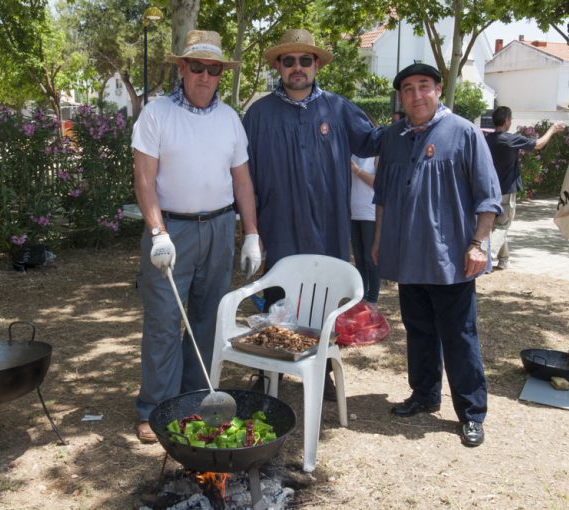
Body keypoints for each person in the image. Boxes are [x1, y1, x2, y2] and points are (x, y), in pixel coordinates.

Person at [130, 30, 261, 443]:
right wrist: (157, 233)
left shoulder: (230, 119)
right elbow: (144, 180)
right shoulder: (156, 114)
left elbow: (242, 183)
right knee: (165, 322)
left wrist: (251, 233)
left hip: (221, 228)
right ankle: (155, 408)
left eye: (214, 68)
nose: (205, 75)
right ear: (182, 68)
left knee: (207, 321)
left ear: (222, 73)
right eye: (198, 66)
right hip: (173, 229)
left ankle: (189, 400)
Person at [243, 28, 382, 400]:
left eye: (306, 60)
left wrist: (418, 126)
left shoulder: (338, 109)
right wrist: (249, 231)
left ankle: (322, 370)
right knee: (277, 300)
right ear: (279, 66)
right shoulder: (258, 114)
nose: (298, 67)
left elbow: (376, 141)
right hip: (279, 225)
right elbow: (240, 173)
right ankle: (267, 368)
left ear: (316, 64)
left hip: (328, 226)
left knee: (324, 300)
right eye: (289, 61)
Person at [371, 63, 502, 447]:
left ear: (438, 89)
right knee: (419, 330)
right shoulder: (393, 136)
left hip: (451, 259)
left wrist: (478, 244)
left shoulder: (463, 132)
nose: (415, 95)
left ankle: (472, 413)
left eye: (423, 87)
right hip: (407, 256)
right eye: (407, 89)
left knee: (459, 336)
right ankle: (424, 394)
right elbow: (382, 197)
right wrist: (379, 240)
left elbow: (488, 196)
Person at [486, 106, 566, 269]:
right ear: (507, 120)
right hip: (507, 192)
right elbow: (539, 144)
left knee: (496, 226)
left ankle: (504, 260)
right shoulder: (511, 139)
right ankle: (487, 258)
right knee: (502, 226)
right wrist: (553, 129)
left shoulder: (487, 140)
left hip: (488, 190)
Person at [350, 152, 380, 304]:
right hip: (353, 213)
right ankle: (361, 299)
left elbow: (379, 183)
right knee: (359, 260)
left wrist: (358, 171)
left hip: (370, 213)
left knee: (371, 259)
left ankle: (373, 300)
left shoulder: (376, 154)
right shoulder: (352, 153)